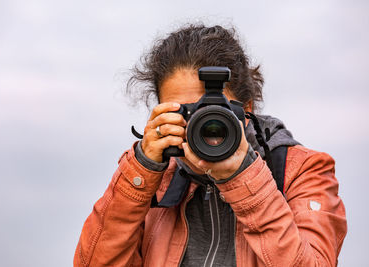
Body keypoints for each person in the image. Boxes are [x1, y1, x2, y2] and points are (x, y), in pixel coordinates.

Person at [74, 24, 347, 267]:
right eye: (186, 113)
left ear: (247, 109)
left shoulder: (301, 169)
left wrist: (243, 176)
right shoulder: (155, 181)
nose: (203, 126)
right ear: (160, 114)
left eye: (215, 111)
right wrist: (142, 169)